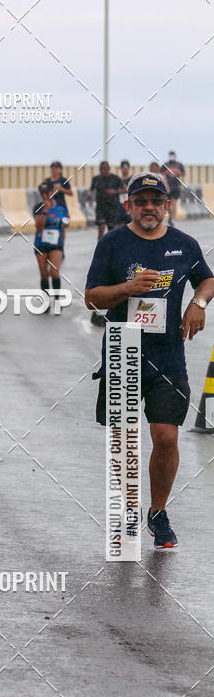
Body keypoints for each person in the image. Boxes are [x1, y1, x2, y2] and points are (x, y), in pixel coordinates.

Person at [85, 172, 214, 549]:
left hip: (168, 353)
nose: (149, 208)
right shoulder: (112, 244)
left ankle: (157, 512)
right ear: (129, 206)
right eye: (140, 201)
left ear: (167, 205)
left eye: (156, 201)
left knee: (166, 436)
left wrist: (198, 303)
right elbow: (92, 298)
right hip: (124, 350)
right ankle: (126, 514)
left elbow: (207, 280)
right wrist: (127, 288)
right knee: (124, 439)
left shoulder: (184, 245)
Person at [33, 182, 66, 309]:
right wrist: (45, 210)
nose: (45, 196)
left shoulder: (60, 206)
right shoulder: (38, 207)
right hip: (41, 243)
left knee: (54, 271)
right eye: (42, 194)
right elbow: (39, 227)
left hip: (56, 244)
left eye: (47, 193)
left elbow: (65, 221)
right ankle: (46, 302)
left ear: (52, 192)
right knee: (44, 274)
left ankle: (57, 299)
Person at [87, 161, 125, 239]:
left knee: (112, 231)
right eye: (101, 168)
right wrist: (90, 194)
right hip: (101, 207)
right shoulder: (96, 179)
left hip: (113, 207)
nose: (103, 170)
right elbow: (91, 189)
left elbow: (125, 188)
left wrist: (115, 192)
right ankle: (100, 249)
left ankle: (112, 249)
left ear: (109, 169)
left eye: (105, 168)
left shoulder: (115, 178)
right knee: (101, 228)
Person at [162, 150, 185, 226]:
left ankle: (173, 219)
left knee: (174, 203)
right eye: (170, 155)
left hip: (176, 186)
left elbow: (184, 173)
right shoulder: (165, 164)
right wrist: (167, 172)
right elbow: (161, 173)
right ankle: (170, 216)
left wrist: (178, 172)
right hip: (167, 186)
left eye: (173, 155)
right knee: (167, 203)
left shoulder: (179, 164)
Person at [116, 160, 133, 226]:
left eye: (126, 167)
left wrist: (125, 190)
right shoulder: (117, 179)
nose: (125, 169)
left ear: (129, 168)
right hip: (119, 207)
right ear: (120, 168)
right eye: (123, 167)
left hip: (130, 207)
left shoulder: (132, 179)